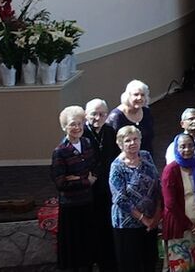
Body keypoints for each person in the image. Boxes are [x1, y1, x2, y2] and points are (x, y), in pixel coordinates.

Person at [51, 104, 99, 272]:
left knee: (87, 244)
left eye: (80, 123)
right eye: (72, 124)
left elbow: (95, 167)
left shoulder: (87, 143)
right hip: (71, 205)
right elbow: (61, 183)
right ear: (64, 126)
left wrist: (78, 178)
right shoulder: (60, 151)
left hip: (87, 201)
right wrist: (85, 180)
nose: (77, 127)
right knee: (73, 247)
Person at [108, 124, 161, 272]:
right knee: (131, 265)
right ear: (120, 144)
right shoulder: (117, 166)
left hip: (150, 221)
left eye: (135, 139)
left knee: (150, 262)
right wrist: (144, 219)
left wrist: (157, 215)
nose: (133, 143)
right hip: (127, 224)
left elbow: (157, 184)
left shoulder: (146, 156)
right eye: (128, 140)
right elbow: (120, 199)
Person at [160, 131, 195, 272]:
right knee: (181, 267)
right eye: (182, 146)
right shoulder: (170, 170)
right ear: (176, 148)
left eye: (190, 145)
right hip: (180, 228)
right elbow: (170, 203)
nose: (187, 149)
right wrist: (190, 226)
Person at [85, 100, 118, 271]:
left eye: (102, 114)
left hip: (108, 190)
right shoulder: (81, 133)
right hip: (88, 192)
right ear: (86, 115)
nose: (98, 118)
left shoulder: (110, 131)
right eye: (93, 114)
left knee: (107, 230)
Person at [110, 80, 155, 158]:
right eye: (136, 94)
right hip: (126, 160)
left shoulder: (146, 111)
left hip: (146, 157)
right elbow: (112, 145)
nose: (139, 98)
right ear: (128, 96)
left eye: (142, 95)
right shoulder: (116, 117)